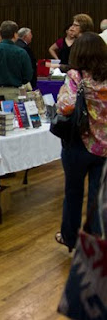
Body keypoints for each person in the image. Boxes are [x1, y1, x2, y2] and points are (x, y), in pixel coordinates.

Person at [54, 32, 107, 251]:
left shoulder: (76, 76)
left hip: (78, 143)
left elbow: (65, 106)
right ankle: (93, 241)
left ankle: (70, 237)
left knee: (73, 193)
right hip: (104, 146)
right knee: (98, 196)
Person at [0, 20, 33, 101]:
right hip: (13, 93)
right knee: (12, 113)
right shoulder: (21, 52)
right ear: (15, 35)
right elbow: (28, 75)